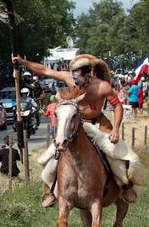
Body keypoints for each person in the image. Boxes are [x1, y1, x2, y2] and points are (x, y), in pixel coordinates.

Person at [11, 53, 124, 208]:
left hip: (98, 123)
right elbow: (44, 70)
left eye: (78, 75)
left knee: (114, 151)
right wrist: (23, 62)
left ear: (87, 73)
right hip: (75, 123)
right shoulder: (68, 78)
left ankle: (123, 186)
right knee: (53, 153)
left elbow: (117, 106)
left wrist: (116, 129)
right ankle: (50, 191)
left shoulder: (102, 86)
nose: (74, 80)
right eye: (73, 75)